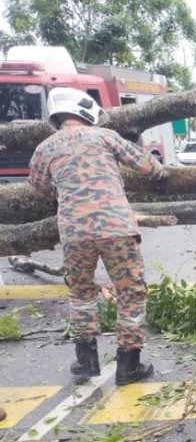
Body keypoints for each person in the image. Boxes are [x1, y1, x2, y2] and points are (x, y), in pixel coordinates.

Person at [28, 87, 164, 385]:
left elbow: (38, 187)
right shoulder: (106, 137)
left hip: (74, 233)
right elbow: (148, 167)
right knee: (130, 293)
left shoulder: (45, 148)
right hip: (116, 228)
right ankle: (129, 365)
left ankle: (86, 362)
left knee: (81, 294)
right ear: (85, 110)